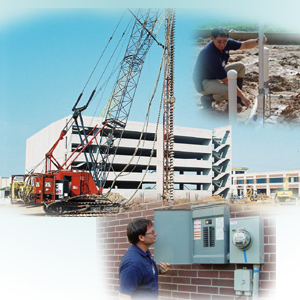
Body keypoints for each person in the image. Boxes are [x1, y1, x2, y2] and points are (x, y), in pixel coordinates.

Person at [193, 27, 266, 109]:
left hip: (214, 75)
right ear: (212, 39)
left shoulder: (226, 43)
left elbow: (244, 44)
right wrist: (243, 96)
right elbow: (226, 80)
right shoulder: (210, 54)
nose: (222, 44)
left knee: (240, 67)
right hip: (203, 82)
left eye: (225, 41)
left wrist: (257, 41)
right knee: (229, 91)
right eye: (219, 41)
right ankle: (207, 99)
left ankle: (237, 99)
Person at [119, 218, 170, 299]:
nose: (156, 233)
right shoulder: (133, 263)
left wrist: (159, 271)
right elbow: (124, 296)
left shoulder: (144, 253)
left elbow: (143, 274)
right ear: (141, 237)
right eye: (152, 232)